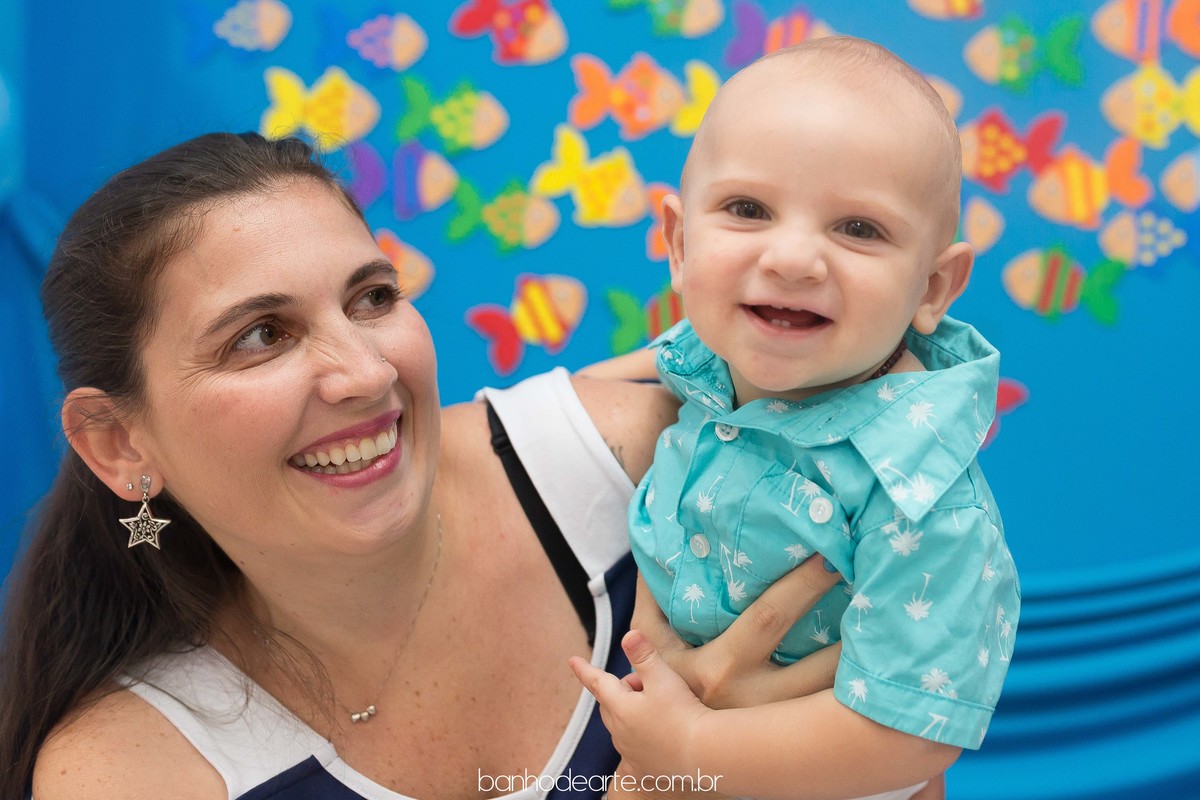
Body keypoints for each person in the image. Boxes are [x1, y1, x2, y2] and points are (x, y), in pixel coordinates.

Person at [0, 131, 850, 799]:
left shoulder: (656, 462)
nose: (369, 375)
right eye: (262, 336)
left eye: (372, 298)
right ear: (119, 444)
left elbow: (910, 759)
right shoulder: (132, 769)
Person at [570, 37, 1020, 800]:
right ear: (679, 243)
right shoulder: (714, 357)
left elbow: (909, 735)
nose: (793, 258)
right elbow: (666, 351)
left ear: (933, 286)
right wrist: (572, 389)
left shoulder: (920, 495)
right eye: (748, 209)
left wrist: (692, 747)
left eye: (859, 229)